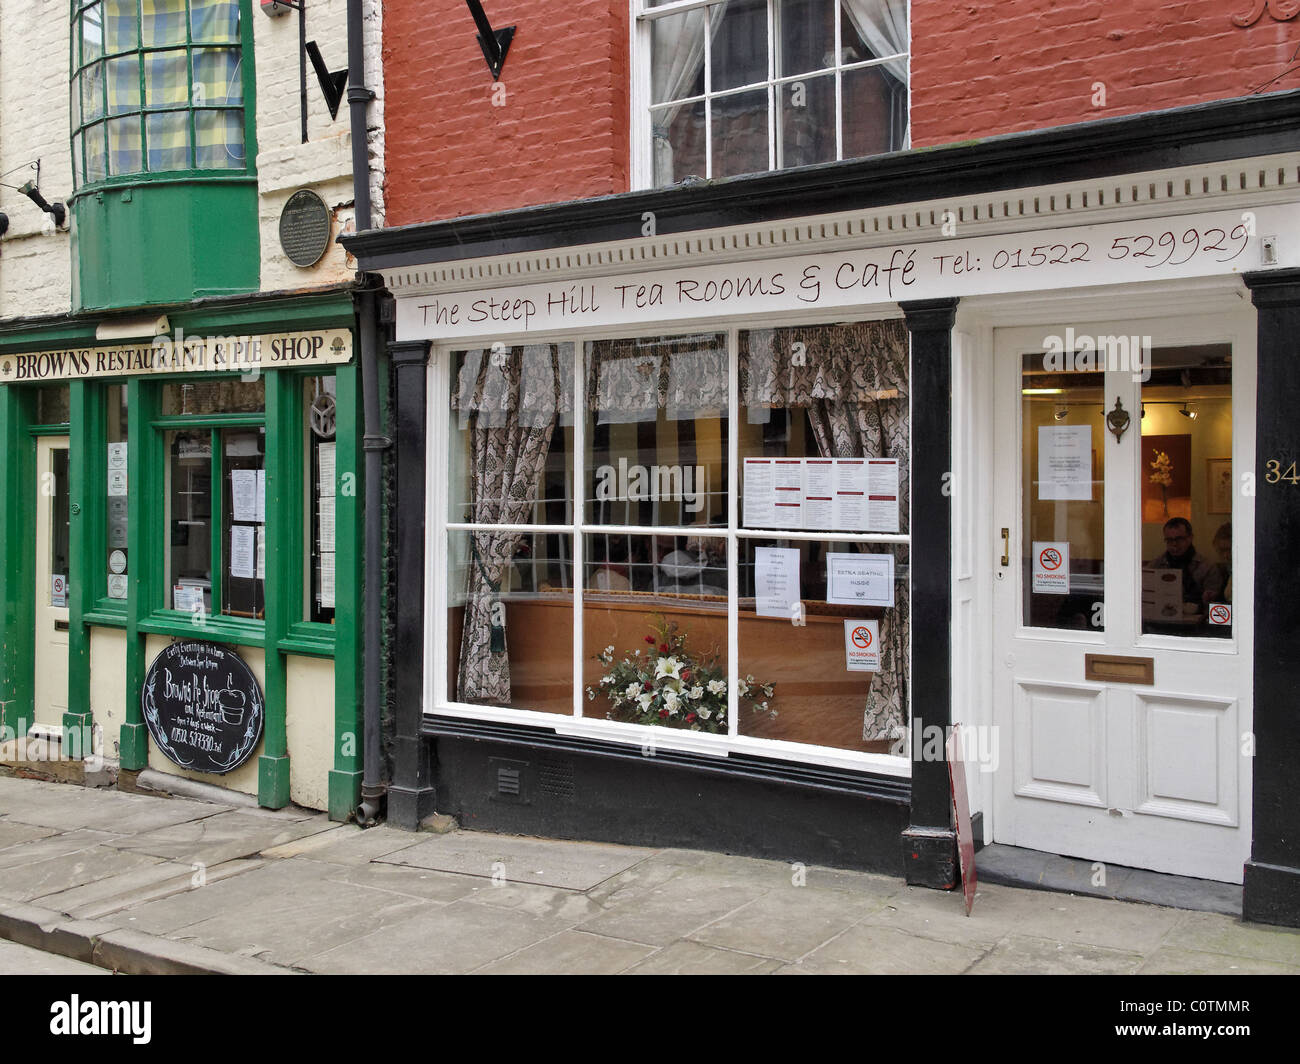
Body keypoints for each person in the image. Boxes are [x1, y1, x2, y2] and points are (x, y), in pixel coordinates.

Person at [1148, 518, 1226, 607]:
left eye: (1179, 539)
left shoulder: (1207, 567)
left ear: (1190, 538)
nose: (1174, 544)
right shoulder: (1156, 565)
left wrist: (1210, 597)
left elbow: (1214, 603)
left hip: (1198, 615)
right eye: (1169, 540)